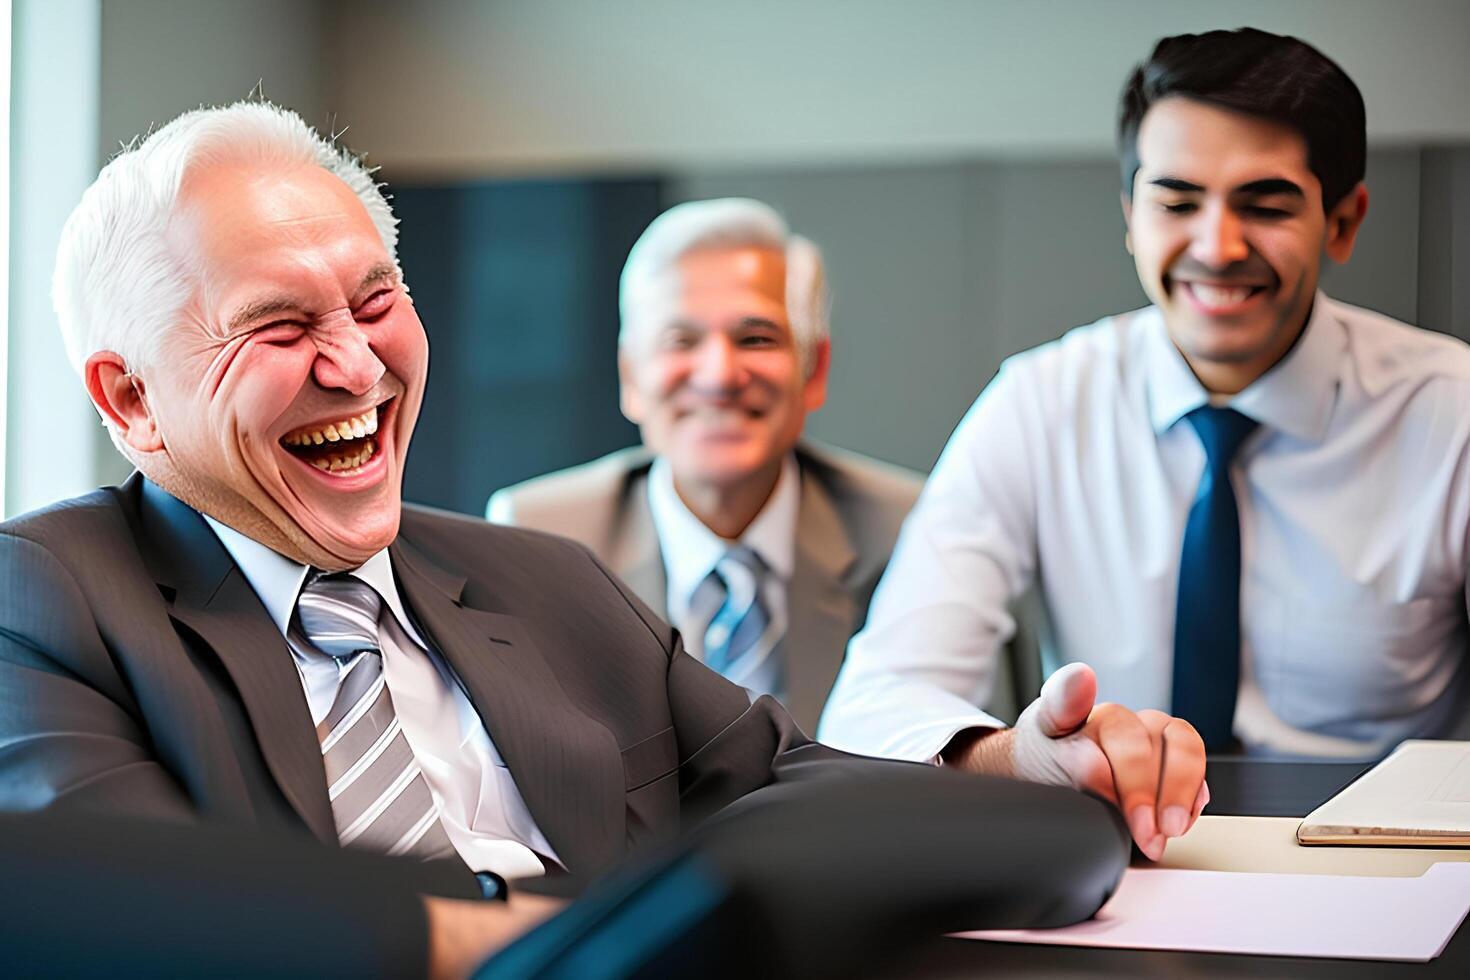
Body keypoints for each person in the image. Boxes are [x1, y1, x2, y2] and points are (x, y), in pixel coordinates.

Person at [0, 96, 1202, 906]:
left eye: (376, 303)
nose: (359, 368)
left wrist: (1016, 772)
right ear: (132, 399)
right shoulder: (51, 599)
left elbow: (787, 778)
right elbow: (156, 920)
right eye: (279, 325)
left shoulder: (544, 577)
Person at [821, 28, 1470, 775]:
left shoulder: (1452, 415)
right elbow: (876, 702)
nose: (1218, 246)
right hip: (1125, 861)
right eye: (1177, 202)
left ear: (1344, 221)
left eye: (1265, 205)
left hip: (1388, 872)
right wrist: (1019, 756)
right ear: (1130, 217)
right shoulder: (1041, 405)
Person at [489, 199, 923, 731]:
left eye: (756, 338)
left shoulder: (909, 535)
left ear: (814, 370)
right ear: (631, 378)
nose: (719, 375)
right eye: (681, 341)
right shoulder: (538, 544)